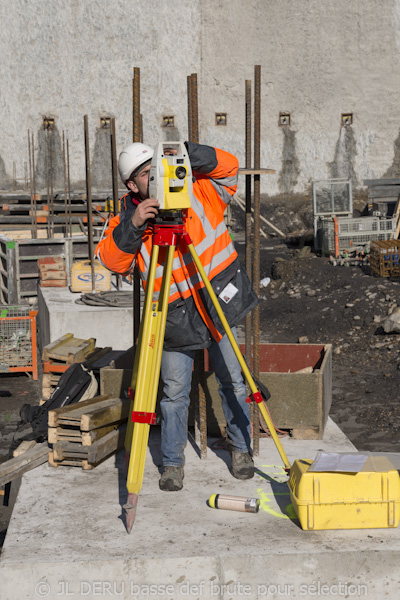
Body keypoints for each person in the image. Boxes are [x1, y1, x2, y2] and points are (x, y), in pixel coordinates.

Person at [95, 140, 258, 491]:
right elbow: (111, 260)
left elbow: (230, 166)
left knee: (235, 381)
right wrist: (136, 224)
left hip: (215, 304)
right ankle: (172, 463)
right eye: (144, 173)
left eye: (155, 166)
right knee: (173, 393)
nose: (153, 175)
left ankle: (241, 449)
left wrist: (184, 153)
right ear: (131, 185)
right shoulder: (127, 216)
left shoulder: (196, 187)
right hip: (174, 318)